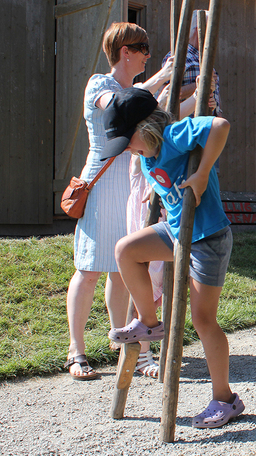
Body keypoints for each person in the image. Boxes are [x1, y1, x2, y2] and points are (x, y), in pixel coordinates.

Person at [102, 87, 243, 429]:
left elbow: (220, 126)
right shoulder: (147, 154)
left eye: (129, 140)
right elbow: (165, 175)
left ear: (146, 128)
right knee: (126, 250)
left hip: (207, 237)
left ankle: (225, 400)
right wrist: (159, 187)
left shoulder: (173, 135)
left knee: (203, 320)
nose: (129, 150)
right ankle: (150, 324)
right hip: (178, 232)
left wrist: (204, 171)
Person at [64, 22, 173, 381]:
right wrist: (160, 79)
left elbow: (154, 118)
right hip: (102, 184)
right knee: (90, 268)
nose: (147, 53)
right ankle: (76, 352)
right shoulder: (101, 85)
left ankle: (133, 351)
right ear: (125, 51)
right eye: (142, 47)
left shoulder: (138, 94)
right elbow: (119, 103)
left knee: (124, 271)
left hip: (130, 183)